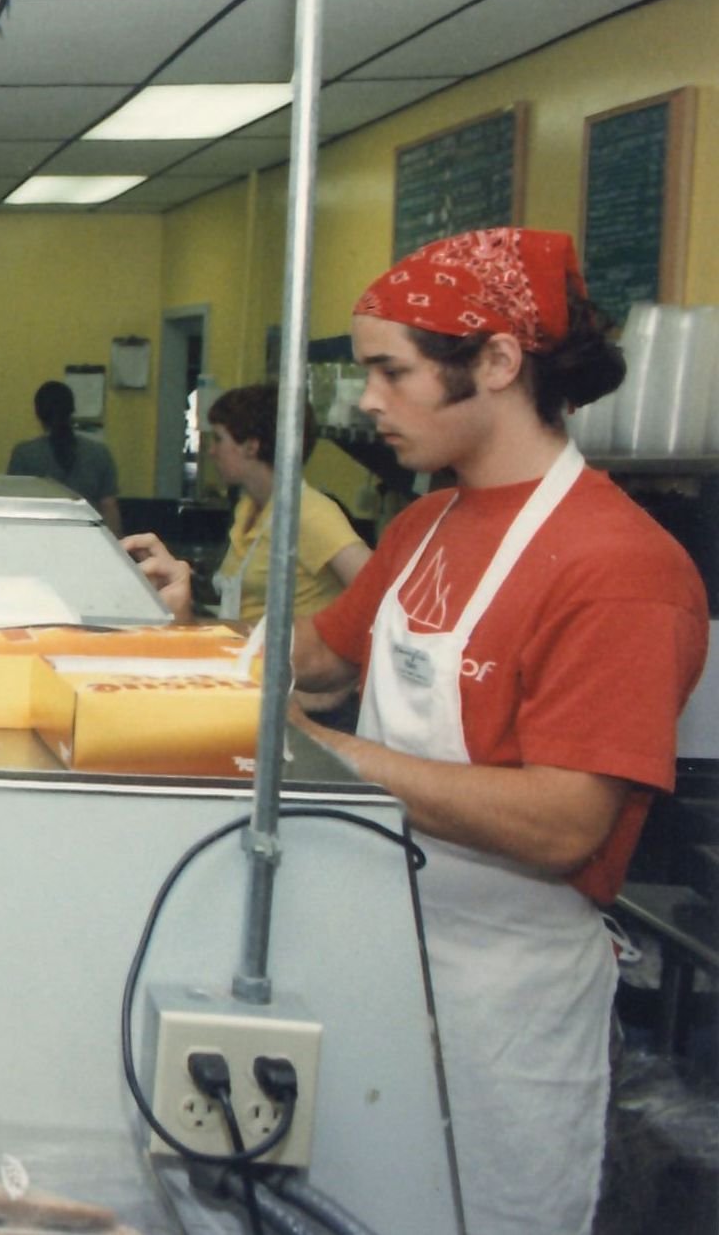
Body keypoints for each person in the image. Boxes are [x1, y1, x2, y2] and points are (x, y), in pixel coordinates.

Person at [141, 230, 704, 1235]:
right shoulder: (425, 526)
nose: (366, 402)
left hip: (503, 1001)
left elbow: (566, 823)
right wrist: (184, 635)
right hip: (374, 949)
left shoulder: (622, 567)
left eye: (391, 372)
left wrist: (335, 757)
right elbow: (308, 656)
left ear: (495, 362)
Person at [202, 383, 370, 626]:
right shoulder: (248, 507)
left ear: (251, 446)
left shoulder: (309, 513)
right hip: (250, 656)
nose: (212, 451)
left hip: (295, 662)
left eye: (218, 439)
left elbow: (377, 591)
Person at [6, 380, 122, 534]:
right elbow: (109, 508)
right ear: (72, 410)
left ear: (38, 413)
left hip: (39, 536)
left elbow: (15, 506)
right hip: (90, 539)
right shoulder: (99, 453)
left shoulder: (24, 454)